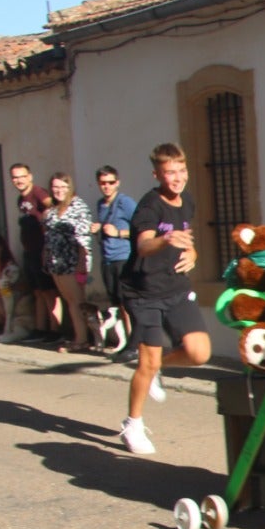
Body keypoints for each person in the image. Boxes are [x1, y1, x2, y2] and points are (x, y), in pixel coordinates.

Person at [119, 143, 211, 455]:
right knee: (147, 360)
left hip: (175, 286)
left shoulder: (187, 201)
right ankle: (133, 424)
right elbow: (143, 246)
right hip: (144, 293)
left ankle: (160, 368)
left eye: (181, 171)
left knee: (199, 353)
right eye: (169, 172)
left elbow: (187, 234)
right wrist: (164, 240)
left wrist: (192, 251)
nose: (177, 178)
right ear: (157, 174)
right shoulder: (148, 207)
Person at [43, 172, 94, 352]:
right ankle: (78, 337)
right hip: (57, 262)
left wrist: (82, 262)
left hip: (73, 261)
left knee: (76, 301)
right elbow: (48, 236)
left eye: (63, 187)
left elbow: (83, 237)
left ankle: (82, 340)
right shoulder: (53, 209)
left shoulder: (78, 207)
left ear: (70, 187)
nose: (59, 191)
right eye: (56, 187)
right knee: (69, 301)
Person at [94, 165, 139, 361]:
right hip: (107, 259)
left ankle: (136, 344)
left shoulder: (125, 203)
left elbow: (141, 228)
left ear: (117, 182)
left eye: (111, 182)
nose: (107, 186)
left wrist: (119, 233)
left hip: (124, 258)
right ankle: (129, 342)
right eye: (103, 183)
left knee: (129, 303)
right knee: (119, 304)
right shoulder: (100, 205)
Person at [10, 163, 56, 342]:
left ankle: (55, 330)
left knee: (49, 292)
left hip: (42, 250)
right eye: (15, 177)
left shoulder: (38, 193)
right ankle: (40, 328)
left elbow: (51, 207)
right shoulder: (20, 200)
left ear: (30, 176)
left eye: (22, 176)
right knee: (37, 292)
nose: (18, 180)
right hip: (29, 251)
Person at [0, 233, 28, 343]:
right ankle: (1, 327)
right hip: (3, 297)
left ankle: (7, 328)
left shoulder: (10, 266)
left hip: (14, 300)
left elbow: (6, 286)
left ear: (1, 247)